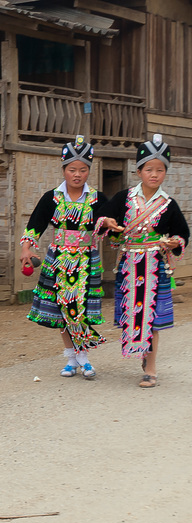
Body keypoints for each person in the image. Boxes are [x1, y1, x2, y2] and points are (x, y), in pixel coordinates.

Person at [98, 134, 189, 387]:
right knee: (132, 315)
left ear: (165, 173)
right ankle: (142, 355)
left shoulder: (168, 204)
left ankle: (151, 367)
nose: (154, 174)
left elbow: (183, 232)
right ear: (139, 171)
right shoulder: (124, 198)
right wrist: (107, 221)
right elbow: (103, 215)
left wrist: (175, 241)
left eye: (160, 170)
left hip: (155, 268)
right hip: (129, 266)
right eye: (149, 169)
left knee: (154, 319)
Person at [20, 135, 109, 379]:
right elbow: (34, 225)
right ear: (63, 170)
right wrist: (27, 249)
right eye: (72, 169)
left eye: (82, 170)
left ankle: (82, 357)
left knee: (77, 309)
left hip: (86, 261)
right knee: (64, 309)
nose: (77, 174)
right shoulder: (52, 198)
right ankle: (73, 358)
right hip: (58, 260)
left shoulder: (97, 199)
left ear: (89, 171)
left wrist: (111, 225)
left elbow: (108, 222)